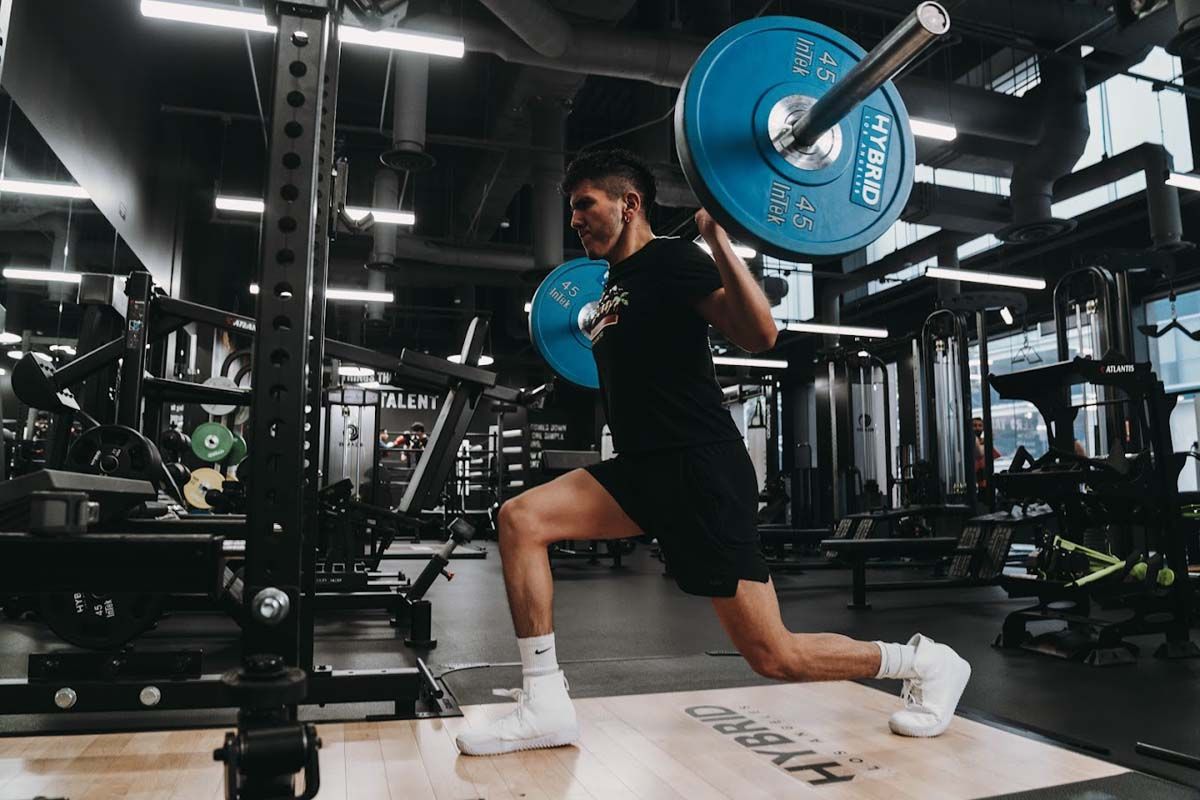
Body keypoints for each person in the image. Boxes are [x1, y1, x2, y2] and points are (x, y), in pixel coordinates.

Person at [454, 149, 971, 757]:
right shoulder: (614, 286)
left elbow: (760, 334)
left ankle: (923, 662)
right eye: (571, 210)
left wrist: (716, 241)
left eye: (584, 205)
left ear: (630, 204)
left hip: (698, 468)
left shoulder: (672, 259)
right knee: (521, 519)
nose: (575, 220)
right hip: (643, 467)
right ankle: (544, 704)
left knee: (773, 656)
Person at [972, 416, 1001, 490]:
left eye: (980, 426)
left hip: (985, 478)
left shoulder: (982, 441)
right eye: (974, 426)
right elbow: (980, 453)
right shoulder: (972, 440)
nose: (978, 428)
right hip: (977, 479)